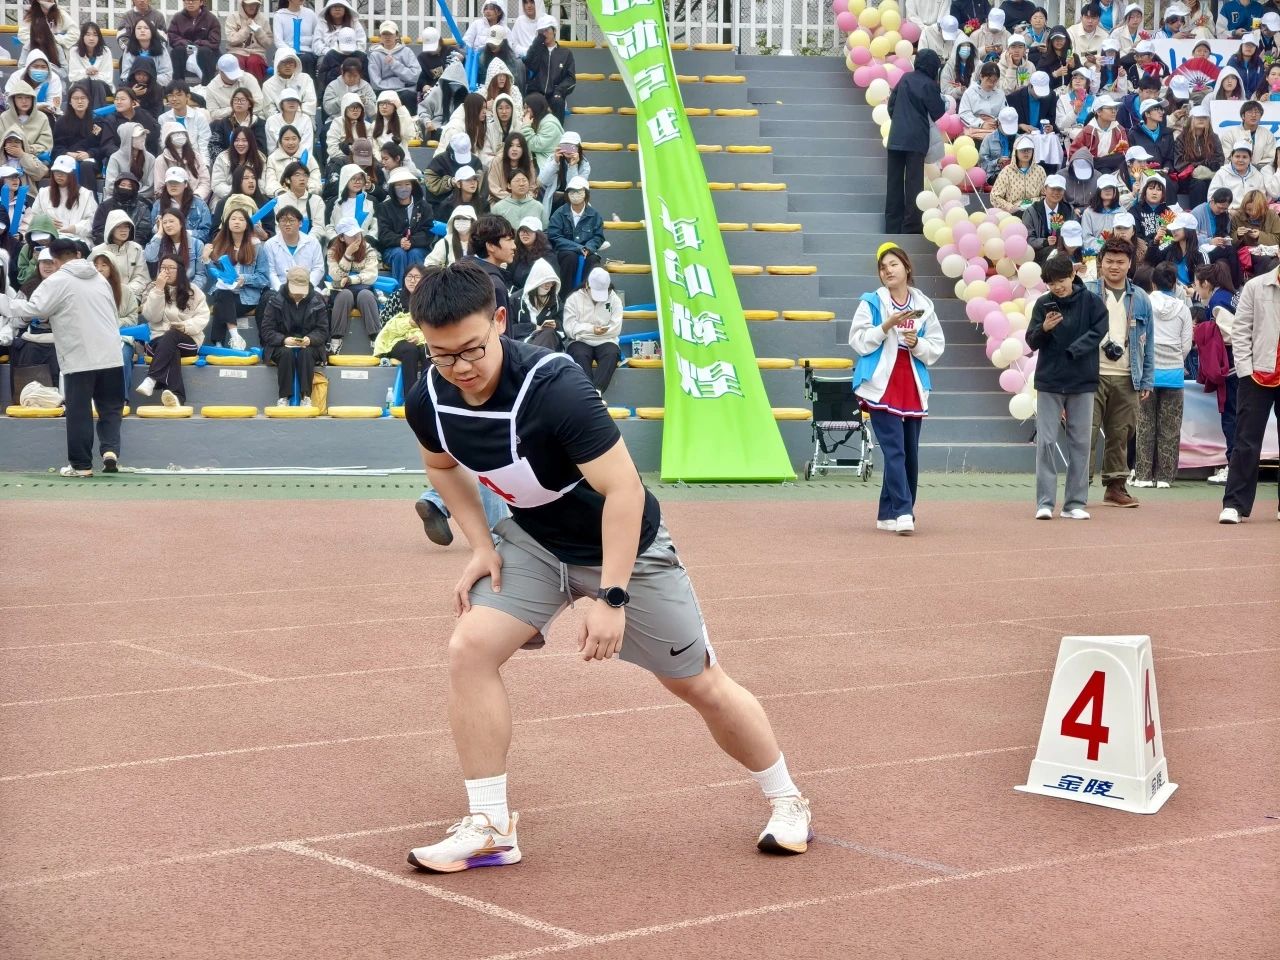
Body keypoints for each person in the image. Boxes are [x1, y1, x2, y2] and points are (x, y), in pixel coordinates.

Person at [401, 259, 813, 870]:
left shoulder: (556, 387)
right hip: (535, 541)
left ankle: (787, 799)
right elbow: (440, 467)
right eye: (442, 355)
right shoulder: (429, 398)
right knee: (470, 649)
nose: (460, 367)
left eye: (472, 349)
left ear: (501, 321)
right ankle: (491, 826)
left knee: (697, 683)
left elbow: (625, 490)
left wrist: (612, 596)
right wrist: (482, 545)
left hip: (625, 548)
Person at [0, 238, 124, 477]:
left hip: (80, 357)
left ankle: (81, 466)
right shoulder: (100, 278)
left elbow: (33, 309)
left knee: (79, 412)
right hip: (112, 353)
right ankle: (110, 451)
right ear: (77, 254)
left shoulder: (57, 280)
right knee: (110, 408)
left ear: (55, 260)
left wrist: (3, 303)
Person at [848, 244, 946, 534]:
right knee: (894, 450)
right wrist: (886, 326)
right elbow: (858, 340)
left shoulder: (924, 305)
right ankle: (904, 511)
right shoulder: (871, 302)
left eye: (893, 264)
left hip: (912, 382)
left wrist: (917, 344)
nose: (887, 271)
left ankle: (887, 513)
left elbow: (936, 345)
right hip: (880, 383)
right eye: (883, 267)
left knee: (909, 453)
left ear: (907, 267)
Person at [1027, 253, 1109, 519]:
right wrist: (1044, 328)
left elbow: (1099, 331)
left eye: (1061, 280)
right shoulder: (1043, 303)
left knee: (1081, 442)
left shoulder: (1092, 302)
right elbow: (1031, 341)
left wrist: (1076, 349)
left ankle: (1074, 503)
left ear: (1073, 275)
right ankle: (1045, 503)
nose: (1057, 287)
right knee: (1046, 441)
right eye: (1051, 283)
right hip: (1049, 380)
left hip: (1082, 380)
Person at [1086, 238, 1154, 506]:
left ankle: (1116, 487)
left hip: (1128, 375)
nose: (1114, 266)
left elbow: (1149, 341)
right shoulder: (1087, 293)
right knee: (1085, 432)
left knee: (1121, 433)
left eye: (1120, 262)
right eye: (1109, 261)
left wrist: (1146, 379)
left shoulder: (1141, 298)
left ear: (1130, 264)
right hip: (1091, 374)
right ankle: (1078, 488)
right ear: (1100, 262)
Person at [1218, 263, 1280, 523]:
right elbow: (1241, 329)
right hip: (1258, 374)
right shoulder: (1256, 286)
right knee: (1245, 441)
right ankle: (1234, 504)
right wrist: (1245, 370)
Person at [1132, 262, 1193, 488]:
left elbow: (1137, 337)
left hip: (1147, 374)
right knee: (1170, 428)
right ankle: (1165, 477)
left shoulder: (1143, 303)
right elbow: (1186, 344)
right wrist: (1175, 360)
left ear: (1153, 283)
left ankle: (1143, 476)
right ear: (1175, 283)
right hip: (1174, 374)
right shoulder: (1183, 309)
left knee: (1145, 425)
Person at [136, 256, 208, 407]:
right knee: (171, 348)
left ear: (180, 270)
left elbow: (202, 317)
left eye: (170, 268)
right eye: (163, 267)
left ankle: (152, 378)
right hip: (157, 340)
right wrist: (158, 290)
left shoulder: (193, 291)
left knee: (172, 335)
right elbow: (152, 317)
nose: (166, 271)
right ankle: (177, 397)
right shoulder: (153, 288)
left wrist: (185, 326)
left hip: (188, 339)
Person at [203, 199, 269, 349]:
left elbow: (264, 278)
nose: (237, 222)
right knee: (222, 293)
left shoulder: (257, 247)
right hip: (224, 293)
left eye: (241, 219)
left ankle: (219, 343)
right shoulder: (219, 245)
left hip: (246, 298)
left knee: (220, 302)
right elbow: (214, 275)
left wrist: (244, 279)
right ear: (227, 223)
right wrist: (206, 260)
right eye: (233, 219)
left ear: (247, 224)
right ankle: (235, 338)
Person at [259, 266, 328, 407]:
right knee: (286, 353)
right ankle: (283, 397)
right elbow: (266, 330)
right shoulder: (275, 300)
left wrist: (310, 339)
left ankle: (306, 396)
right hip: (281, 344)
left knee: (306, 353)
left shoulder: (317, 300)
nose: (298, 295)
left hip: (310, 344)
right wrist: (283, 339)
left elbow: (323, 330)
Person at [562, 267, 622, 393]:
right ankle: (588, 392)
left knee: (612, 353)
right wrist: (591, 329)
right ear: (587, 285)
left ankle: (596, 392)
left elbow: (616, 328)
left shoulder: (614, 300)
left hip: (606, 340)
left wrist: (591, 331)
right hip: (580, 340)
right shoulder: (574, 298)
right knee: (579, 354)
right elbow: (569, 327)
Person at [326, 218, 381, 354]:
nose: (357, 237)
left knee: (366, 295)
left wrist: (351, 279)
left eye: (358, 233)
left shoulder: (368, 250)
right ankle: (335, 341)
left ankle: (376, 341)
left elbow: (371, 275)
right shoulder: (332, 252)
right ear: (342, 238)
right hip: (341, 291)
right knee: (345, 295)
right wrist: (347, 255)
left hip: (363, 288)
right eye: (351, 235)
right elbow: (336, 276)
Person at [376, 167, 434, 285]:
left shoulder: (425, 206)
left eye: (407, 184)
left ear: (413, 186)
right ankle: (399, 291)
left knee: (415, 253)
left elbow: (428, 231)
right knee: (399, 253)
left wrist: (412, 241)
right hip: (392, 249)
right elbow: (383, 233)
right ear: (393, 188)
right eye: (399, 185)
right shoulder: (384, 207)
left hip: (419, 248)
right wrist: (399, 241)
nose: (404, 188)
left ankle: (418, 289)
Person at [546, 177, 604, 292]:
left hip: (588, 250)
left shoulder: (594, 215)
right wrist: (578, 247)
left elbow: (598, 236)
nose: (575, 195)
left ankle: (587, 292)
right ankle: (564, 295)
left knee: (593, 260)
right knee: (570, 257)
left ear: (586, 194)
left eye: (579, 191)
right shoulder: (559, 213)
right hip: (566, 251)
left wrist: (589, 247)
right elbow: (554, 236)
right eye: (572, 192)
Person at [522, 15, 576, 122]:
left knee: (558, 101)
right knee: (533, 101)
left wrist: (559, 91)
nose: (544, 34)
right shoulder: (538, 50)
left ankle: (557, 131)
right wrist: (537, 42)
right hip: (536, 92)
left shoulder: (566, 53)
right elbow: (528, 62)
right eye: (541, 31)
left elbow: (570, 79)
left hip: (555, 93)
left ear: (554, 31)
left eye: (547, 30)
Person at [32, 156, 96, 242]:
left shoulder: (85, 194)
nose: (59, 175)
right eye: (56, 171)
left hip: (77, 239)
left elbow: (92, 221)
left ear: (72, 174)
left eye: (63, 172)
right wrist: (46, 223)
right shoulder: (43, 193)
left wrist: (75, 228)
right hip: (49, 238)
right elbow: (34, 217)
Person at [263, 205, 324, 294]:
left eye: (291, 220)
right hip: (280, 289)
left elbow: (318, 268)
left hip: (308, 288)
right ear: (278, 225)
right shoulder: (270, 244)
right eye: (283, 220)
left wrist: (307, 287)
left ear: (300, 223)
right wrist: (282, 290)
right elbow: (270, 272)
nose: (287, 224)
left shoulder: (313, 242)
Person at [91, 209, 149, 300]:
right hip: (104, 297)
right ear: (111, 228)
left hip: (132, 297)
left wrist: (125, 292)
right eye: (119, 227)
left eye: (126, 226)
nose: (123, 230)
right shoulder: (97, 251)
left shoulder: (136, 249)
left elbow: (142, 277)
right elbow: (92, 278)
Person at [144, 206, 207, 288]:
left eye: (171, 221)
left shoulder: (197, 244)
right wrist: (159, 233)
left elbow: (201, 275)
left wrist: (190, 290)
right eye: (164, 222)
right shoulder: (159, 242)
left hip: (187, 288)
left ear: (181, 223)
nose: (168, 225)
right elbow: (149, 257)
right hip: (164, 287)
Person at [314, 0, 366, 93]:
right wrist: (332, 52)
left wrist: (353, 52)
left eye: (340, 6)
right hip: (329, 55)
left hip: (352, 54)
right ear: (329, 9)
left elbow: (361, 42)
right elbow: (317, 43)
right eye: (334, 6)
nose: (337, 9)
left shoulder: (354, 23)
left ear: (345, 9)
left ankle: (360, 91)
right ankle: (325, 92)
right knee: (322, 62)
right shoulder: (322, 23)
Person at [511, 256, 562, 350]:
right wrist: (534, 328)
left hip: (549, 341)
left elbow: (563, 323)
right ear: (536, 280)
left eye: (552, 282)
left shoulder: (555, 300)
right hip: (522, 344)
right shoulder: (516, 299)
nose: (549, 285)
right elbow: (509, 328)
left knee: (549, 333)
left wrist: (556, 324)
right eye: (545, 281)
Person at [1024, 174, 1078, 263]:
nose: (1056, 193)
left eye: (1059, 189)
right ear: (1044, 190)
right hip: (1040, 255)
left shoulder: (1069, 210)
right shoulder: (1032, 211)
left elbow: (1074, 233)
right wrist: (1045, 242)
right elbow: (1028, 239)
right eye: (1053, 189)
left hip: (1065, 253)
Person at [151, 166, 213, 245]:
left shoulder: (200, 204)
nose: (173, 185)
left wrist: (182, 233)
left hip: (192, 246)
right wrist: (158, 228)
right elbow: (152, 232)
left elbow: (206, 233)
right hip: (165, 246)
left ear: (186, 184)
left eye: (177, 182)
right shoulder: (158, 205)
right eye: (170, 183)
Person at [154, 122, 211, 202]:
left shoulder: (196, 156)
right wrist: (176, 200)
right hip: (171, 202)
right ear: (167, 138)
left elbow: (205, 181)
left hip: (197, 199)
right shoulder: (161, 160)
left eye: (182, 133)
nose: (180, 136)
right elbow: (159, 187)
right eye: (175, 134)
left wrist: (197, 196)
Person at [168, 0, 221, 84]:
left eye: (193, 0)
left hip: (204, 51)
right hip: (185, 50)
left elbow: (215, 42)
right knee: (177, 51)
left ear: (201, 2)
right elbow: (172, 37)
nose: (190, 2)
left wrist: (199, 43)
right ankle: (178, 85)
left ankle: (207, 85)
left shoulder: (211, 19)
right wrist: (184, 42)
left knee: (205, 51)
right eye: (187, 0)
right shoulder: (177, 18)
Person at [990, 135, 1047, 212]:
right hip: (1013, 213)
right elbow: (995, 196)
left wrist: (1034, 203)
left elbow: (1046, 194)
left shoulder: (1040, 171)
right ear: (1016, 152)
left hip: (1035, 211)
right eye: (1023, 150)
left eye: (1029, 150)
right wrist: (1011, 207)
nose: (1026, 152)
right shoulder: (1007, 172)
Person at [369, 21, 419, 108]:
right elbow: (376, 83)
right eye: (384, 34)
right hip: (383, 91)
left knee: (408, 96)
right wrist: (403, 83)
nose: (387, 37)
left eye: (390, 34)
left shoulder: (407, 51)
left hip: (405, 91)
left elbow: (415, 77)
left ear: (396, 35)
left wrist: (394, 64)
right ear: (380, 36)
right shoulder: (375, 55)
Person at [158, 81, 212, 162]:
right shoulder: (163, 119)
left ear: (188, 97)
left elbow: (204, 145)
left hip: (195, 160)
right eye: (170, 95)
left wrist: (204, 165)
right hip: (172, 160)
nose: (174, 99)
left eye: (179, 95)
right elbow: (163, 144)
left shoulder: (199, 117)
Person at [105, 123, 157, 206]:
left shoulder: (150, 158)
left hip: (142, 199)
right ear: (127, 138)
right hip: (118, 198)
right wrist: (126, 194)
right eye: (138, 136)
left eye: (143, 135)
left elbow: (150, 186)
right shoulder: (115, 158)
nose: (143, 138)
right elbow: (110, 185)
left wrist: (135, 196)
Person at [264, 49, 318, 125]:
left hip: (303, 120)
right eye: (284, 62)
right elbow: (269, 109)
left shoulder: (305, 79)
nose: (287, 66)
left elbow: (310, 102)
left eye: (291, 62)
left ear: (296, 64)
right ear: (277, 64)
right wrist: (283, 120)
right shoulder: (268, 84)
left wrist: (295, 116)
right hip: (278, 123)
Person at [205, 55, 265, 123]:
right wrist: (236, 108)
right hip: (226, 122)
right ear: (220, 72)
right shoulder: (211, 88)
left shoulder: (248, 78)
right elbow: (214, 114)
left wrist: (237, 110)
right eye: (230, 75)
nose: (234, 78)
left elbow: (259, 103)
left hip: (252, 118)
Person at [1209, 141, 1267, 210]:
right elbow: (1211, 199)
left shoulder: (1257, 175)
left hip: (1251, 213)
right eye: (1237, 156)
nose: (1240, 160)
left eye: (1244, 157)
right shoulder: (1221, 174)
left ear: (1250, 159)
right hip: (1227, 213)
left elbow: (1262, 199)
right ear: (1231, 157)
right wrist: (1227, 211)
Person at [224, 0, 272, 83]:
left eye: (255, 4)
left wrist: (258, 30)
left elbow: (268, 43)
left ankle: (255, 89)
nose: (252, 7)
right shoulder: (233, 17)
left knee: (254, 62)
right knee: (237, 61)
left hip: (256, 53)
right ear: (243, 4)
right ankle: (236, 89)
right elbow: (232, 40)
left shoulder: (263, 20)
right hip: (236, 51)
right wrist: (247, 29)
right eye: (249, 4)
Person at [67, 23, 114, 102]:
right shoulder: (74, 51)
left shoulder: (106, 51)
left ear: (99, 37)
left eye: (95, 35)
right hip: (81, 85)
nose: (91, 38)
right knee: (84, 83)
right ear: (82, 36)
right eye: (88, 35)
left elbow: (108, 77)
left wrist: (93, 74)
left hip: (102, 86)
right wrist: (86, 72)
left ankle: (96, 110)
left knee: (97, 84)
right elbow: (73, 76)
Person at [274, 0, 321, 78]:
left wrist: (310, 43)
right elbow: (278, 41)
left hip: (306, 52)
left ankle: (308, 85)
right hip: (287, 51)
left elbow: (317, 34)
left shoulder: (310, 14)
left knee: (306, 59)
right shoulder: (279, 15)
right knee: (289, 60)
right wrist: (291, 52)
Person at [959, 63, 1007, 135]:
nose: (991, 84)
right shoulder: (969, 93)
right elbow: (964, 114)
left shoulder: (1000, 94)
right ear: (981, 76)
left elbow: (1005, 112)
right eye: (988, 80)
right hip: (975, 128)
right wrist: (981, 124)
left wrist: (998, 122)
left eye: (994, 81)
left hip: (994, 128)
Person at [1081, 173, 1125, 250]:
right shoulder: (1089, 212)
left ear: (1116, 191)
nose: (1108, 190)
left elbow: (1125, 234)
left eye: (1111, 187)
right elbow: (1086, 238)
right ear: (1098, 190)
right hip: (1095, 253)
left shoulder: (1122, 212)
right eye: (1104, 188)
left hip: (1118, 251)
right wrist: (1103, 246)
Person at [427, 205, 476, 269]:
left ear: (472, 221)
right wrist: (444, 271)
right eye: (458, 218)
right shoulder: (446, 242)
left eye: (465, 218)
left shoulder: (480, 242)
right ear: (453, 221)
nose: (461, 221)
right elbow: (430, 263)